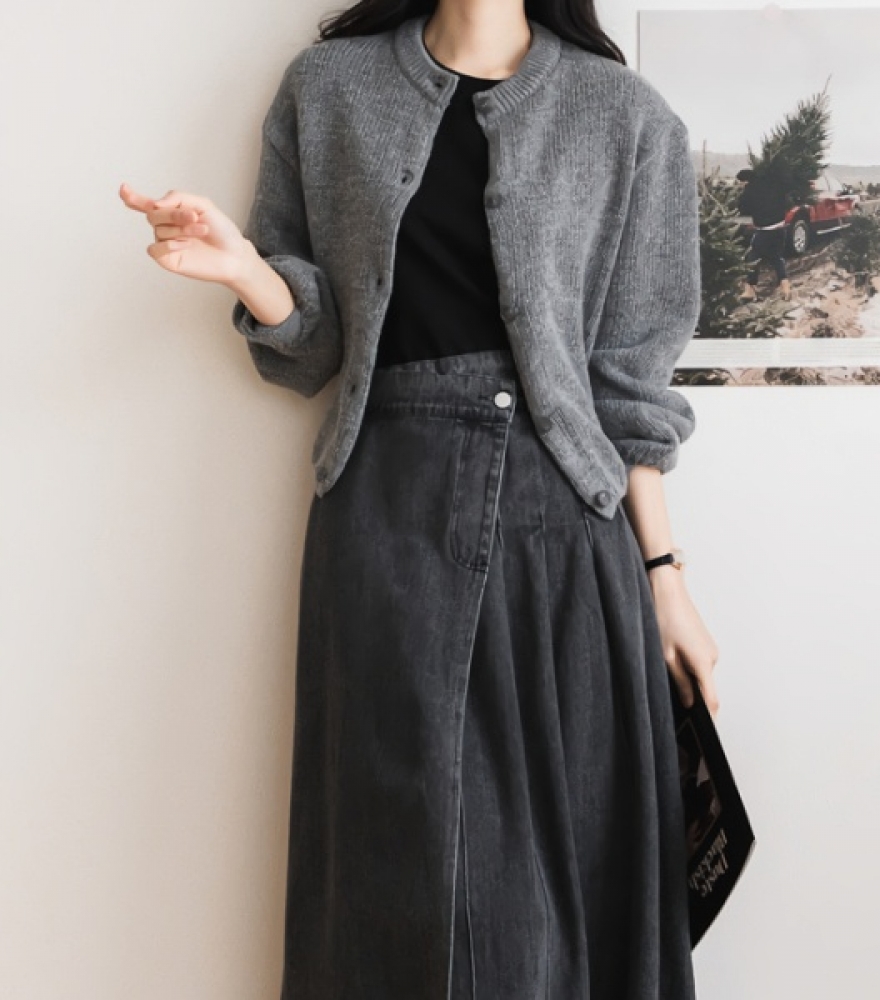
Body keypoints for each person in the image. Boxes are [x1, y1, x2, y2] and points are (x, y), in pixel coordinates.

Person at [120, 2, 719, 997]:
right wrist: (248, 272)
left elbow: (627, 390)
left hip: (562, 536)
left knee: (554, 894)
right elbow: (314, 350)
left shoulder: (627, 117)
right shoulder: (330, 90)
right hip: (383, 522)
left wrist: (664, 575)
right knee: (397, 874)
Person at [736, 166, 793, 301]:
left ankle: (750, 290)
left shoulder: (749, 191)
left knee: (752, 257)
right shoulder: (772, 183)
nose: (740, 185)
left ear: (745, 181)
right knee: (776, 257)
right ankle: (785, 286)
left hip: (765, 230)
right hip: (780, 227)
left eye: (740, 182)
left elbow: (743, 210)